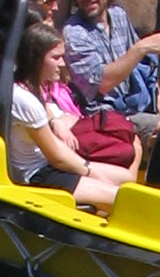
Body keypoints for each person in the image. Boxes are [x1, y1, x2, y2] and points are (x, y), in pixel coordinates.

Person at [9, 23, 137, 211]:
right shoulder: (26, 101)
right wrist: (92, 173)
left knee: (126, 178)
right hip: (40, 175)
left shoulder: (31, 89)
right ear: (36, 60)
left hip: (49, 164)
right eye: (55, 58)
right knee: (123, 198)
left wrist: (87, 166)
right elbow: (57, 157)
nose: (62, 64)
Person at [60, 0, 160, 119]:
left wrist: (158, 94)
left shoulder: (118, 16)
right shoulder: (74, 33)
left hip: (134, 105)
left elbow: (143, 64)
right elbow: (102, 84)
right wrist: (139, 49)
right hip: (103, 115)